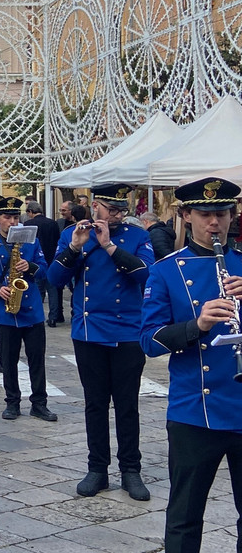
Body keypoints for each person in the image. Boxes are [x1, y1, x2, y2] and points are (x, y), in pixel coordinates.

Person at [140, 176, 242, 553]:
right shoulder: (165, 270)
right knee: (184, 518)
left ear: (233, 216)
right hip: (194, 414)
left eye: (221, 213)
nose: (214, 223)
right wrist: (197, 325)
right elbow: (148, 341)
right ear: (185, 216)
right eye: (204, 214)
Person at [47, 183, 153, 501]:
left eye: (123, 209)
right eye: (113, 209)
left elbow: (145, 275)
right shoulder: (73, 234)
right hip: (89, 332)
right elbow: (54, 279)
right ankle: (97, 469)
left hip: (129, 332)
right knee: (95, 404)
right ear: (96, 207)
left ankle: (131, 470)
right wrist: (75, 248)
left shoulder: (138, 236)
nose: (119, 214)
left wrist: (109, 246)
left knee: (127, 405)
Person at [0, 196, 56, 422]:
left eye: (15, 217)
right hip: (6, 311)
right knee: (8, 360)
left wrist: (30, 266)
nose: (12, 222)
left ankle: (39, 403)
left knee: (36, 359)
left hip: (32, 309)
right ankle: (12, 402)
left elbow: (45, 270)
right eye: (7, 217)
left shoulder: (31, 242)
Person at [24, 200, 62, 325]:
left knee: (37, 290)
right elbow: (58, 241)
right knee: (53, 291)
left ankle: (35, 314)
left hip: (36, 262)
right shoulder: (52, 223)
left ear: (30, 211)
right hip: (51, 260)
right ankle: (53, 317)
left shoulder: (28, 223)